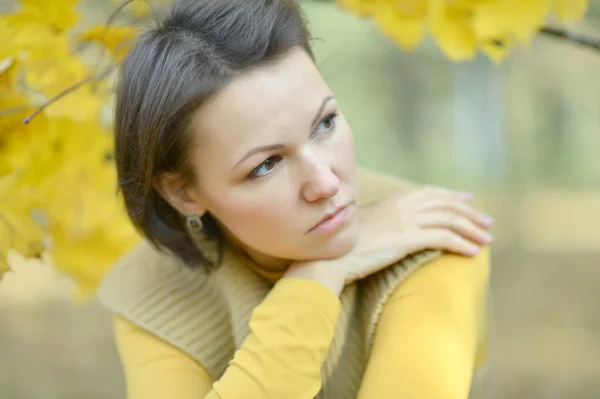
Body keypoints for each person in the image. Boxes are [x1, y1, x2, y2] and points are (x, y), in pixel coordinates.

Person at [97, 0, 493, 398]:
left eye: (325, 123)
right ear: (184, 192)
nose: (325, 183)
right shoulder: (156, 288)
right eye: (266, 165)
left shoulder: (435, 237)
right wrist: (319, 276)